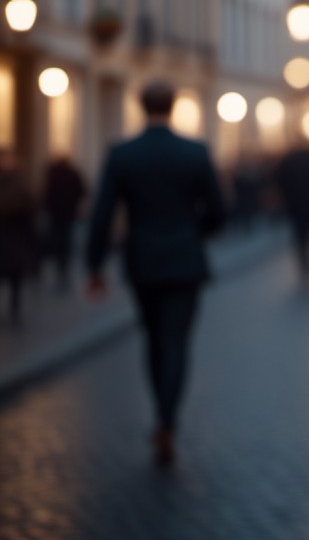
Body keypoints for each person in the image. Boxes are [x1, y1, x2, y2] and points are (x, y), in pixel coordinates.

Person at [86, 80, 226, 466]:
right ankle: (168, 419)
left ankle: (160, 416)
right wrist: (194, 233)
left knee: (152, 339)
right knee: (177, 342)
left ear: (141, 105)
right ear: (174, 105)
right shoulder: (195, 152)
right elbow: (218, 212)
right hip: (185, 260)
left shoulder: (123, 153)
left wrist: (94, 265)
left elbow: (102, 215)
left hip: (142, 261)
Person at [273, 140, 309, 282]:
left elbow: (279, 181)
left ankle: (305, 263)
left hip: (295, 205)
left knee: (300, 236)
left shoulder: (288, 159)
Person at [0, 148, 35, 326]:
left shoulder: (20, 182)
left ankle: (15, 308)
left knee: (15, 276)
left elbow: (30, 206)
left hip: (15, 237)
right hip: (6, 234)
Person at [42, 155, 87, 290]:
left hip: (57, 214)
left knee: (59, 243)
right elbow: (82, 190)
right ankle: (64, 270)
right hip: (67, 214)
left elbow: (47, 194)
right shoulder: (72, 174)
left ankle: (61, 270)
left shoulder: (54, 175)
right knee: (65, 243)